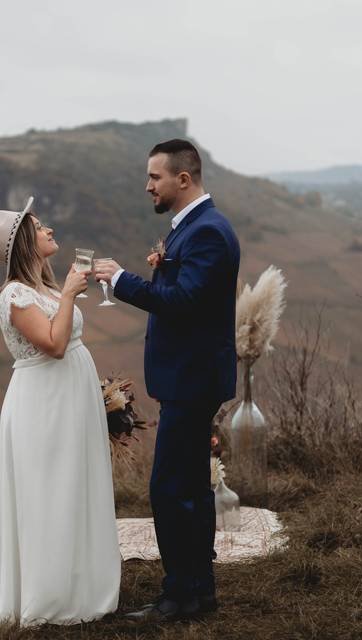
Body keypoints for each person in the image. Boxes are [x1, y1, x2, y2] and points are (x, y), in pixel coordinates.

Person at [0, 196, 121, 630]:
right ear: (23, 244)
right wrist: (73, 294)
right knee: (47, 490)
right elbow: (53, 346)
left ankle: (78, 580)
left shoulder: (48, 290)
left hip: (70, 399)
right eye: (40, 227)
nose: (50, 229)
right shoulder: (15, 295)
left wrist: (67, 293)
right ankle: (47, 589)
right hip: (43, 405)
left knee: (74, 485)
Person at [94, 139, 240, 623]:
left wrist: (123, 281)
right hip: (188, 379)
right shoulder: (193, 229)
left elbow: (184, 302)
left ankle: (177, 598)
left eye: (155, 177)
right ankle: (198, 592)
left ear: (184, 178)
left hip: (191, 382)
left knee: (170, 489)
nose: (148, 185)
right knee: (190, 488)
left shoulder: (208, 233)